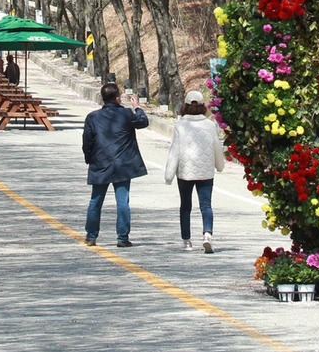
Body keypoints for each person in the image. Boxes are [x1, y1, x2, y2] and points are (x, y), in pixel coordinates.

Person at [81, 81, 149, 247]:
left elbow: (87, 142)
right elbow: (143, 122)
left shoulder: (93, 117)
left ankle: (91, 236)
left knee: (95, 201)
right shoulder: (126, 114)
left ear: (102, 98)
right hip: (123, 165)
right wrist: (137, 107)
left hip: (100, 164)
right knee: (122, 202)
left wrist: (89, 159)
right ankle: (122, 237)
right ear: (118, 98)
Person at [164, 90, 226, 253]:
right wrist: (220, 165)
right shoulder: (210, 125)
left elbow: (174, 151)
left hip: (185, 172)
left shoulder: (180, 125)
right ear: (202, 106)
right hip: (205, 172)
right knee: (206, 205)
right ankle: (207, 235)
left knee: (185, 206)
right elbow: (216, 147)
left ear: (185, 105)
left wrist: (169, 175)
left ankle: (187, 241)